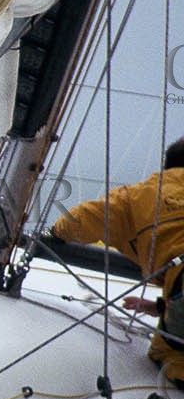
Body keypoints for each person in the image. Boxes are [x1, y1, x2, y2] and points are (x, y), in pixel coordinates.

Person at [50, 137, 184, 384]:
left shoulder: (137, 197)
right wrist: (164, 307)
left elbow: (80, 220)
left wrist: (55, 233)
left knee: (171, 357)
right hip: (179, 288)